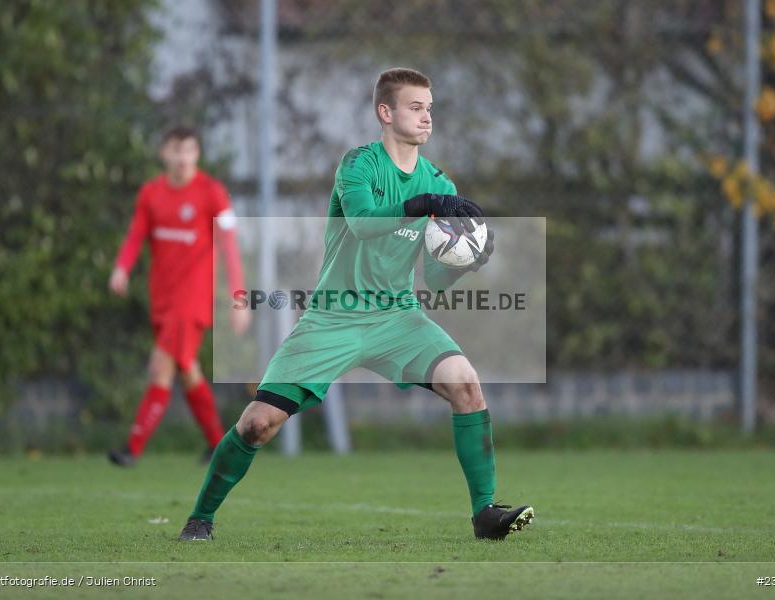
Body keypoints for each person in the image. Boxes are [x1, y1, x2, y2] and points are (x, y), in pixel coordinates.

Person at [179, 69, 533, 541]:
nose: (427, 116)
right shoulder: (358, 166)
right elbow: (365, 223)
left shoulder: (440, 184)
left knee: (466, 384)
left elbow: (435, 278)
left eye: (430, 107)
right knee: (257, 424)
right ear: (385, 113)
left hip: (397, 317)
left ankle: (485, 514)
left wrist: (468, 261)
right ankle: (200, 517)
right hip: (333, 317)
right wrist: (419, 204)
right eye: (415, 107)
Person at [107, 126, 250, 466]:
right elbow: (135, 235)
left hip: (192, 300)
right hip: (162, 299)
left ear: (197, 154)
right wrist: (121, 268)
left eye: (189, 150)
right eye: (176, 150)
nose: (183, 157)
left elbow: (229, 246)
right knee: (188, 371)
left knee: (160, 367)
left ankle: (132, 449)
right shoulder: (151, 193)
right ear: (164, 154)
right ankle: (220, 444)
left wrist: (239, 297)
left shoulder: (211, 192)